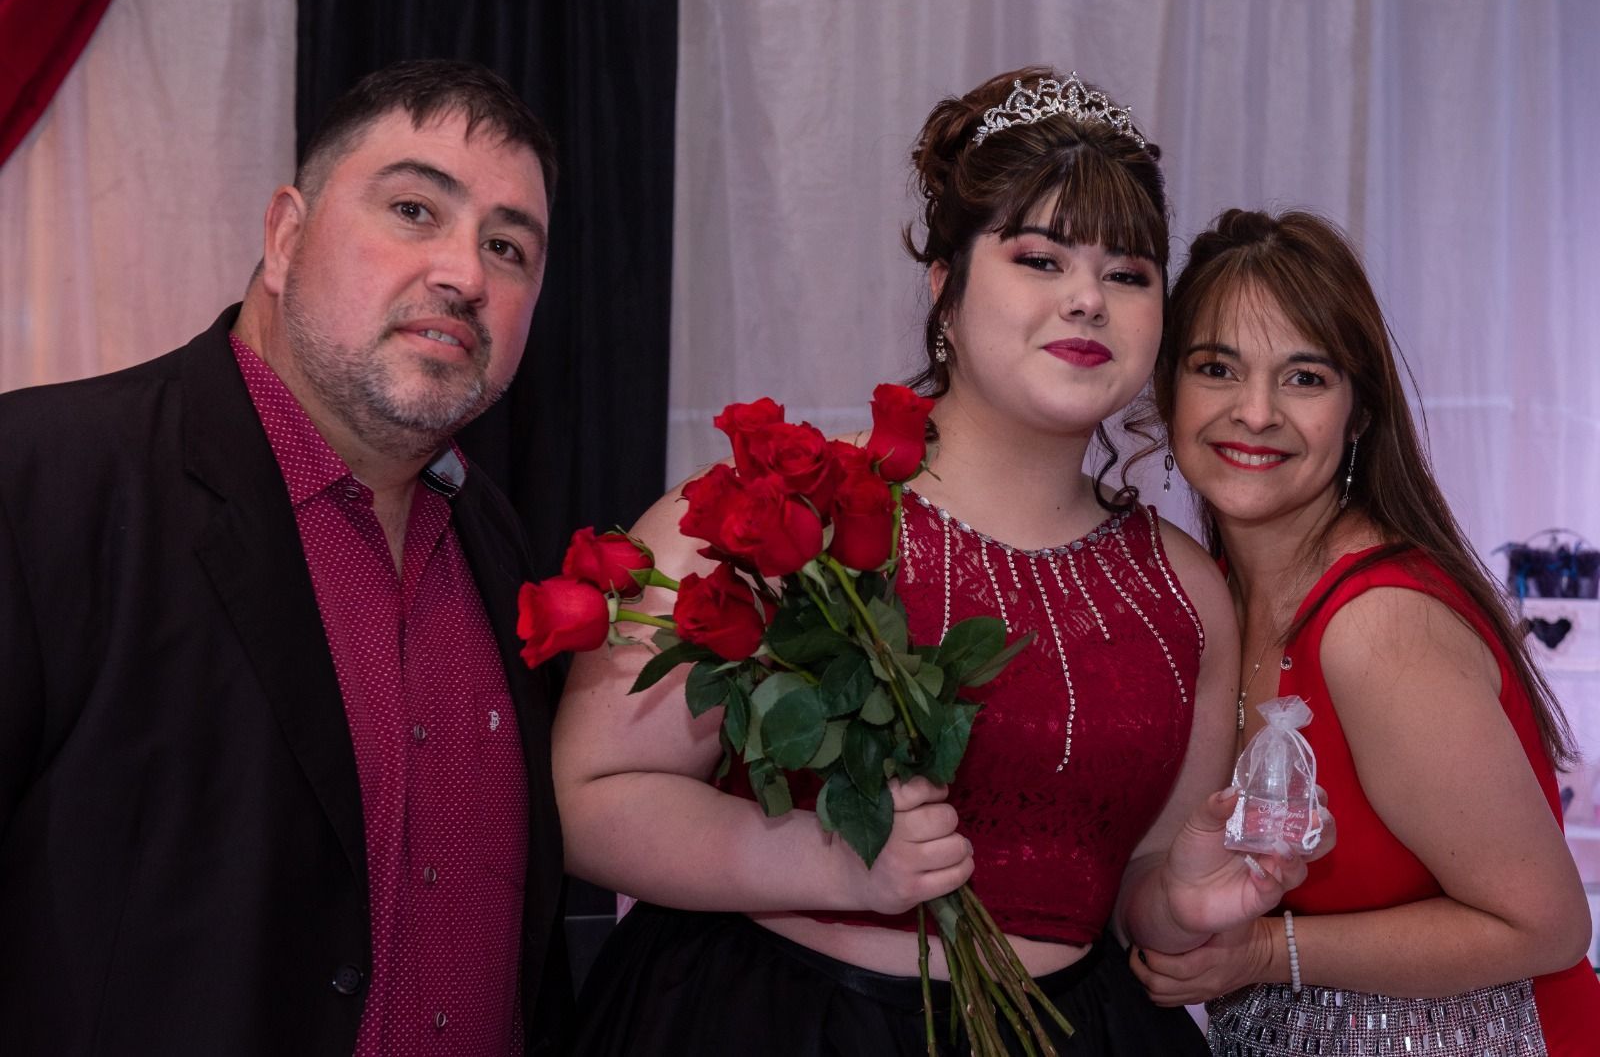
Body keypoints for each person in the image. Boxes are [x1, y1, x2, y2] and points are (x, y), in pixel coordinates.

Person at [553, 66, 1309, 1056]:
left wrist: (1183, 894)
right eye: (1039, 259)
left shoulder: (1188, 593)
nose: (1088, 298)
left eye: (1127, 274)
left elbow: (1135, 901)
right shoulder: (774, 517)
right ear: (943, 286)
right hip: (767, 1022)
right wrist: (830, 864)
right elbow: (591, 801)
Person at [0, 60, 569, 1056]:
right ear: (284, 237)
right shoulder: (44, 482)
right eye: (412, 208)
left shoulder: (498, 543)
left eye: (509, 247)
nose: (465, 274)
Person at [1132, 208, 1600, 1055]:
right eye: (1217, 367)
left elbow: (1548, 927)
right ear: (1167, 389)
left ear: (1357, 417)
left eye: (1304, 378)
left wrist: (1267, 953)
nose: (1256, 411)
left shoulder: (1377, 626)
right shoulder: (1212, 603)